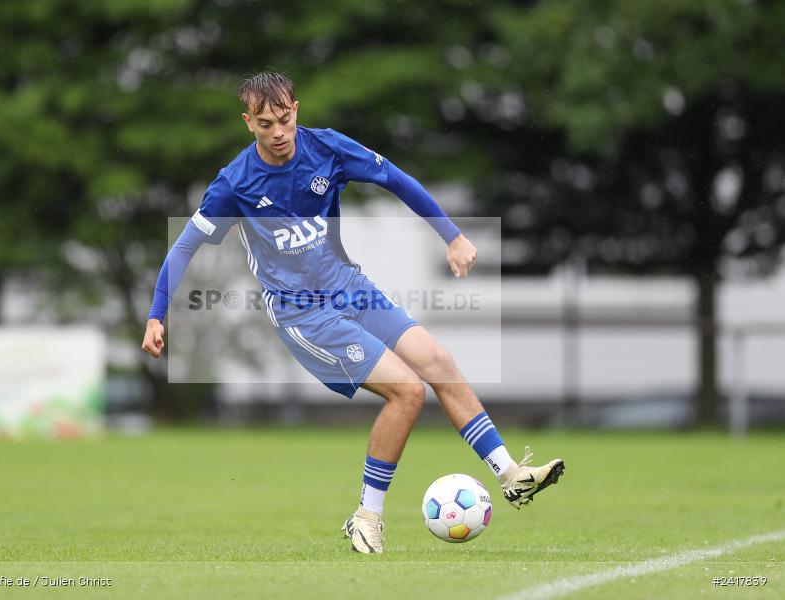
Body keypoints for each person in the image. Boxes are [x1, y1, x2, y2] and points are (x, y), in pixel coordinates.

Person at [142, 71, 564, 554]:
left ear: (296, 110)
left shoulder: (328, 149)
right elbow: (185, 246)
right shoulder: (234, 183)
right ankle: (367, 516)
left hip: (351, 289)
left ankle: (511, 475)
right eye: (265, 124)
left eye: (284, 119)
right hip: (304, 315)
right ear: (248, 124)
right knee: (407, 391)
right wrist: (158, 314)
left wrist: (452, 234)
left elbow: (397, 179)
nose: (278, 132)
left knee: (439, 362)